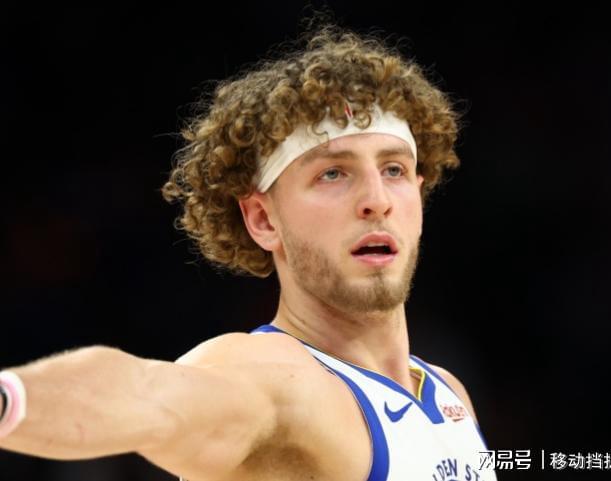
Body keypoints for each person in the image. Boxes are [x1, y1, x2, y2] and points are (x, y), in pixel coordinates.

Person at [0, 25, 497, 481]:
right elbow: (145, 392)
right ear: (263, 219)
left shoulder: (446, 392)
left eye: (393, 170)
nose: (377, 199)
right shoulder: (274, 381)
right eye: (333, 173)